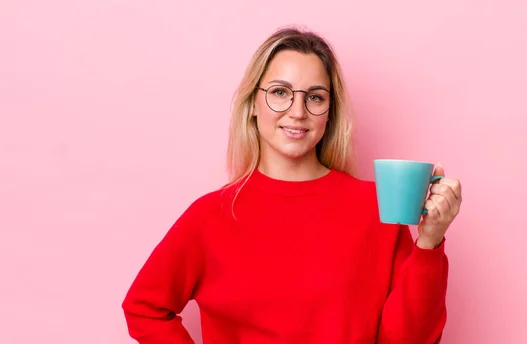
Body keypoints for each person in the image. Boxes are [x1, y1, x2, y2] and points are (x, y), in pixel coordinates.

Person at [122, 26, 462, 344]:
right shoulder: (210, 215)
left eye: (315, 97)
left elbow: (409, 339)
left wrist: (429, 244)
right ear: (253, 104)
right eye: (280, 92)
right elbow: (144, 309)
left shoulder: (377, 207)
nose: (297, 111)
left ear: (330, 112)